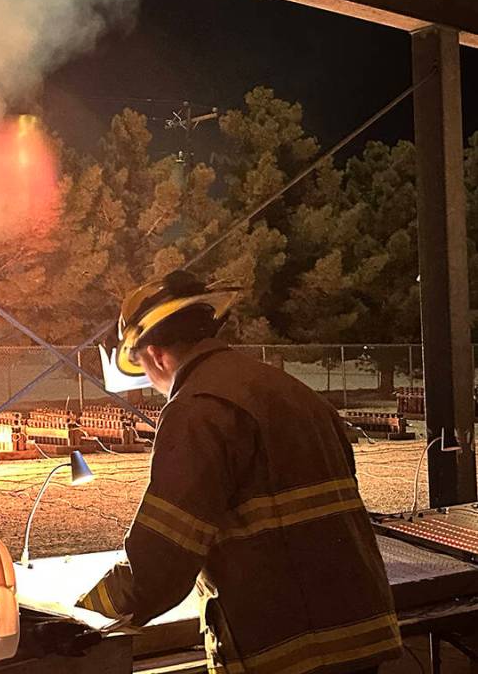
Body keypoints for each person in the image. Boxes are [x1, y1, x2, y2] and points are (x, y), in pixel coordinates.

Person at [78, 270, 401, 674]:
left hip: (289, 649)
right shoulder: (293, 391)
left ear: (156, 354)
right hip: (357, 633)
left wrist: (83, 615)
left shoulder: (197, 409)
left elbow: (162, 559)